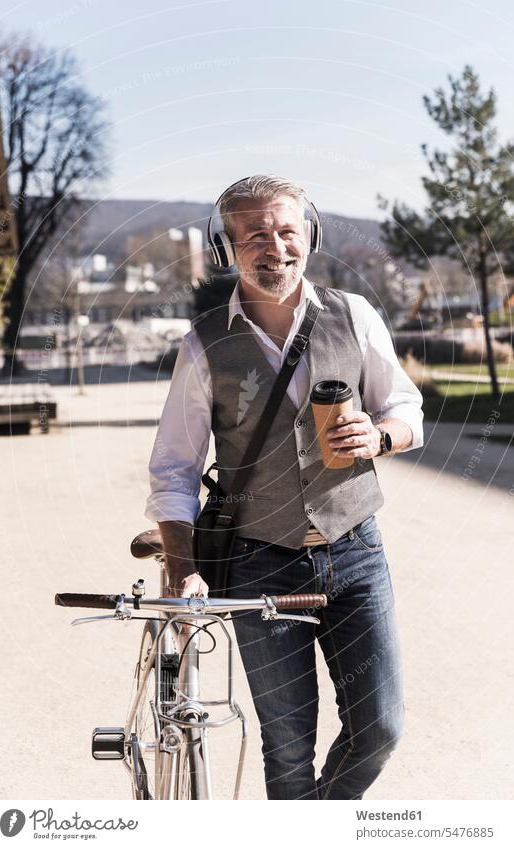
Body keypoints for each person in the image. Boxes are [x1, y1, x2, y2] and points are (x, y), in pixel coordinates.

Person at [145, 175, 423, 800]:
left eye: (287, 230)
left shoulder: (354, 314)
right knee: (289, 749)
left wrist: (380, 436)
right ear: (227, 248)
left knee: (379, 727)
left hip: (354, 553)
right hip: (257, 563)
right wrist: (182, 567)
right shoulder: (204, 344)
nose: (276, 247)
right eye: (256, 235)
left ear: (309, 235)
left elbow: (406, 405)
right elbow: (174, 469)